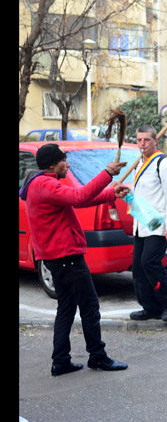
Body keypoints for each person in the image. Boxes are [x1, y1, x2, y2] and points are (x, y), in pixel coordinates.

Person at [19, 143, 129, 375]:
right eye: (63, 160)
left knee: (66, 308)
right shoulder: (45, 184)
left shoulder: (42, 184)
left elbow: (76, 199)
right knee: (89, 306)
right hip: (66, 256)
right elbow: (79, 197)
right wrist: (107, 173)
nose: (67, 164)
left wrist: (111, 193)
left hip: (56, 257)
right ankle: (97, 357)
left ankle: (60, 361)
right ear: (52, 164)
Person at [126, 125, 167, 322]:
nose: (142, 144)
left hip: (159, 225)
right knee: (138, 268)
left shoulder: (164, 165)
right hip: (142, 223)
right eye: (139, 140)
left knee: (149, 262)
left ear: (155, 141)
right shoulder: (141, 164)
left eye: (147, 140)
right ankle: (150, 307)